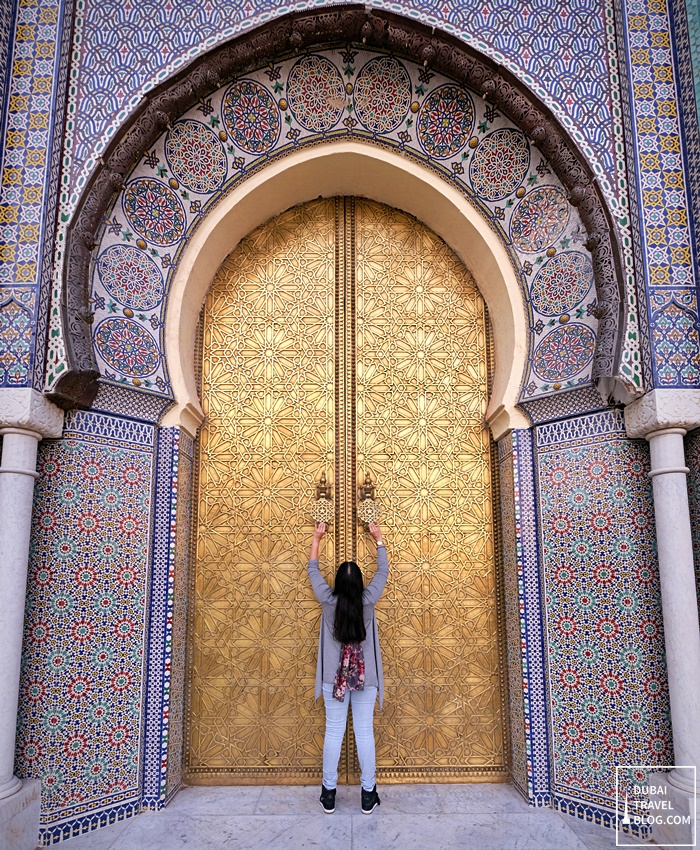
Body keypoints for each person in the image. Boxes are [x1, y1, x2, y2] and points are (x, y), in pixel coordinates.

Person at [308, 519, 388, 815]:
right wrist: (377, 538)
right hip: (365, 680)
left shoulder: (328, 602)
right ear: (360, 584)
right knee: (364, 733)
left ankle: (329, 795)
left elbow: (312, 570)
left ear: (339, 583)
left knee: (333, 733)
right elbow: (383, 572)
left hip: (334, 679)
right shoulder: (368, 601)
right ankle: (368, 795)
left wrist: (318, 537)